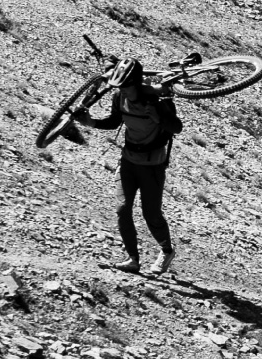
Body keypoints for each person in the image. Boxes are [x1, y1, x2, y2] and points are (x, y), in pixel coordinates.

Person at [74, 58, 183, 274]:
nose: (122, 90)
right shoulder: (119, 97)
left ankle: (166, 250)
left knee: (151, 214)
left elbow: (176, 127)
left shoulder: (156, 102)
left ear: (136, 84)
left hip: (152, 165)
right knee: (122, 209)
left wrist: (158, 118)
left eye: (125, 86)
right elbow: (115, 121)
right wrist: (91, 122)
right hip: (128, 161)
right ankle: (133, 259)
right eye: (119, 86)